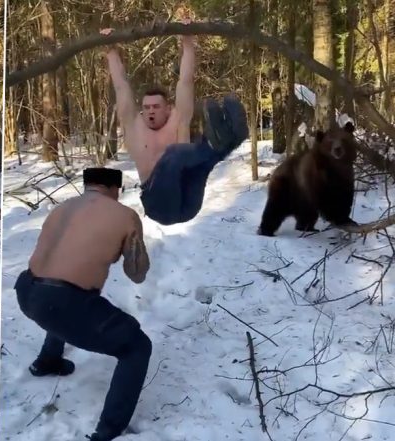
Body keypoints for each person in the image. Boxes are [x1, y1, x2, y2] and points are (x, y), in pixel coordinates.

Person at [15, 167, 152, 441]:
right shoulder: (124, 215)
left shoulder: (61, 208)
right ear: (115, 189)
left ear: (87, 185)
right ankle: (108, 431)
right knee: (137, 346)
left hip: (26, 290)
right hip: (63, 302)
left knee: (64, 300)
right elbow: (137, 274)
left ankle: (48, 360)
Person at [102, 20, 249, 226]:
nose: (150, 111)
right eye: (147, 107)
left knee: (190, 156)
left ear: (168, 109)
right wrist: (111, 49)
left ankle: (231, 137)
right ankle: (222, 143)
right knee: (177, 153)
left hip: (188, 202)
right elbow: (120, 85)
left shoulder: (178, 119)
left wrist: (187, 40)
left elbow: (186, 81)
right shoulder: (134, 127)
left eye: (156, 107)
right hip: (158, 205)